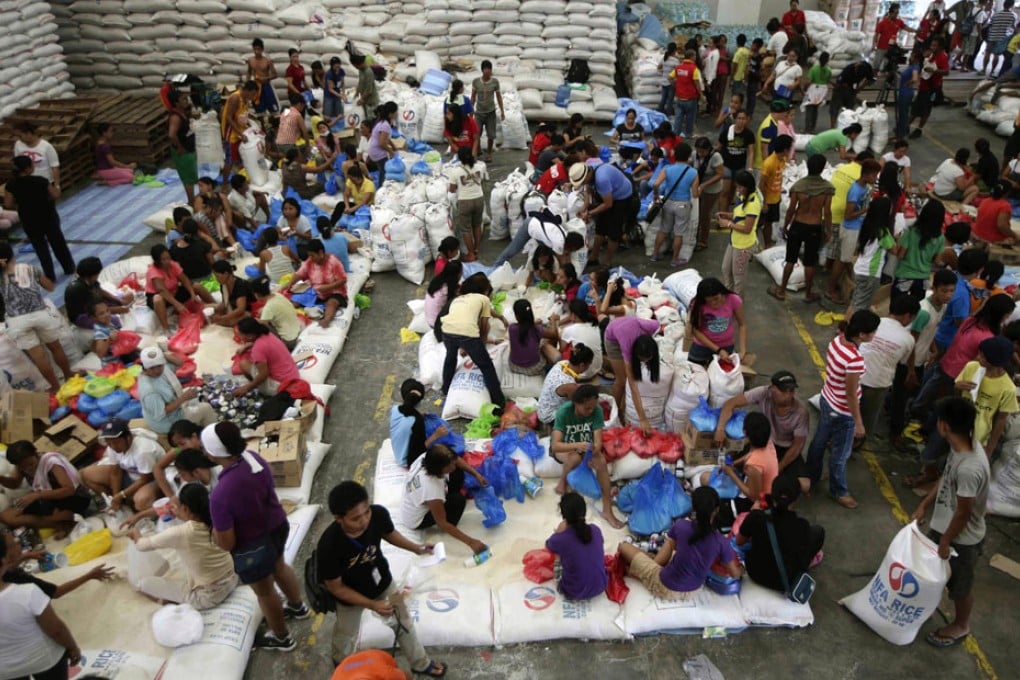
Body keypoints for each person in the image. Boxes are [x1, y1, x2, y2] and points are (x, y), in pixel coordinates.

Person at [317, 482, 446, 675]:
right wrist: (372, 604)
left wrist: (416, 548)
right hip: (350, 598)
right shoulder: (329, 546)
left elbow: (390, 534)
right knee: (345, 635)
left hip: (384, 583)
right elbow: (337, 588)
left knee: (404, 621)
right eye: (355, 518)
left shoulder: (377, 515)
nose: (364, 521)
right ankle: (343, 667)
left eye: (366, 512)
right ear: (338, 518)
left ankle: (420, 663)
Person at [205, 422, 307, 651]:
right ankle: (298, 607)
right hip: (278, 526)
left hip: (253, 546)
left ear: (212, 454)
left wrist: (214, 533)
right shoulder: (253, 458)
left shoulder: (220, 495)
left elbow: (227, 542)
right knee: (280, 567)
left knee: (265, 591)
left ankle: (282, 637)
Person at [911, 397, 989, 648]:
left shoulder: (970, 468)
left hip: (962, 539)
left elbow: (964, 512)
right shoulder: (960, 446)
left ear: (943, 425)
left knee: (960, 586)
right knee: (931, 570)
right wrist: (924, 505)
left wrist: (946, 541)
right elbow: (946, 479)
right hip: (944, 526)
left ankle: (961, 625)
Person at [806, 310, 881, 510]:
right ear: (862, 335)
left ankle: (811, 477)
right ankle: (839, 491)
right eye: (872, 332)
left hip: (827, 399)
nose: (874, 335)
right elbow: (850, 394)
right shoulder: (855, 359)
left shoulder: (838, 340)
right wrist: (858, 422)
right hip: (842, 411)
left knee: (819, 442)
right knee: (840, 455)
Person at [127, 483, 238, 609]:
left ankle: (166, 604)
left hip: (208, 597)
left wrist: (135, 533)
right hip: (232, 579)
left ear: (185, 508)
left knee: (143, 584)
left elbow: (142, 545)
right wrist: (180, 515)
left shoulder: (182, 532)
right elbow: (196, 521)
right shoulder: (217, 518)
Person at [618, 486, 742, 597]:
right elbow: (734, 573)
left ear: (693, 507)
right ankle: (651, 564)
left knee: (623, 547)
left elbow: (677, 544)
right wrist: (742, 569)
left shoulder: (681, 525)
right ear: (717, 510)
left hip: (666, 587)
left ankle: (648, 568)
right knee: (672, 548)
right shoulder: (721, 542)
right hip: (694, 589)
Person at [889, 269, 958, 451]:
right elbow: (912, 340)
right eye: (944, 291)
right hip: (908, 361)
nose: (948, 295)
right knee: (901, 398)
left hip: (920, 359)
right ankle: (895, 434)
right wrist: (911, 370)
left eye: (952, 291)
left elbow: (931, 331)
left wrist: (933, 348)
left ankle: (891, 412)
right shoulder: (924, 312)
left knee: (906, 394)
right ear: (934, 288)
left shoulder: (941, 307)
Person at [0, 531, 82, 679]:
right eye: (13, 545)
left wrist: (25, 556)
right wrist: (72, 647)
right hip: (44, 660)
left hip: (6, 670)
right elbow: (56, 630)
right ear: (4, 558)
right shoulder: (27, 593)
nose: (19, 547)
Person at [0, 243, 73, 390]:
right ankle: (68, 375)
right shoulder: (28, 268)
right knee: (56, 347)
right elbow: (50, 287)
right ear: (12, 255)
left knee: (39, 357)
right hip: (40, 314)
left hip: (17, 321)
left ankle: (55, 387)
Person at [551, 385, 625, 528]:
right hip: (566, 448)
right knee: (574, 458)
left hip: (585, 447)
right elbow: (555, 445)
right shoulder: (564, 412)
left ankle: (607, 510)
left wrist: (596, 448)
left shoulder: (596, 410)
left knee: (601, 462)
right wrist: (577, 445)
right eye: (586, 408)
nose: (590, 411)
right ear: (576, 404)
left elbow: (597, 437)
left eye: (592, 408)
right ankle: (563, 482)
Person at [736, 475, 825, 592]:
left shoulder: (755, 517)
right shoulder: (802, 526)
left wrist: (755, 530)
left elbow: (739, 541)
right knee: (818, 532)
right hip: (787, 581)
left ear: (772, 494)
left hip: (755, 573)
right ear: (796, 499)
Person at [400, 445, 488, 555]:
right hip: (416, 519)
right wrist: (471, 542)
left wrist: (476, 474)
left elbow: (457, 460)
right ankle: (452, 521)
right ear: (439, 468)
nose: (453, 466)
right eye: (449, 466)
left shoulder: (426, 457)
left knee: (458, 473)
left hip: (416, 499)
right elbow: (441, 522)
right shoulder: (432, 489)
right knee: (458, 500)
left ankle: (448, 496)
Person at [438, 274, 506, 409]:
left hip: (446, 330)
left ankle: (445, 388)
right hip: (467, 334)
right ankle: (499, 403)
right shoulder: (484, 299)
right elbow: (484, 326)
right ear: (485, 290)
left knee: (450, 357)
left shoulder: (459, 298)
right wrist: (481, 345)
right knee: (487, 367)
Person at [858, 295, 920, 444]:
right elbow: (903, 361)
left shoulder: (872, 322)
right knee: (867, 418)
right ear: (907, 316)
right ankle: (857, 443)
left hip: (855, 375)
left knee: (848, 410)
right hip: (878, 384)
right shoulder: (908, 339)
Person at [4, 155, 74, 282]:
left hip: (28, 219)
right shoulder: (41, 181)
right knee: (58, 243)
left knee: (41, 248)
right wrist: (56, 187)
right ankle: (69, 268)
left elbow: (8, 204)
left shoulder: (11, 184)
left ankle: (50, 275)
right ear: (28, 168)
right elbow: (55, 195)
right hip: (48, 216)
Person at [774, 154, 833, 303]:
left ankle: (781, 291)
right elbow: (827, 212)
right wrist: (828, 230)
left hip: (798, 225)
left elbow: (791, 209)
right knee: (809, 262)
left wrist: (786, 226)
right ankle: (808, 294)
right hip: (814, 227)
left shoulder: (798, 186)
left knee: (790, 260)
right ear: (821, 169)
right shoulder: (827, 188)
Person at [0, 441, 91, 534]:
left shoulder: (50, 462)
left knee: (59, 515)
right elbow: (15, 484)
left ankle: (63, 522)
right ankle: (59, 524)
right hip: (47, 498)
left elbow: (69, 489)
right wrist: (1, 479)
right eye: (23, 467)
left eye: (30, 464)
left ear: (35, 454)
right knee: (6, 517)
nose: (28, 469)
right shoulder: (21, 466)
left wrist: (36, 495)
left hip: (71, 498)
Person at [826, 158, 882, 306]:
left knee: (845, 259)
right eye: (874, 176)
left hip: (856, 228)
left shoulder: (864, 188)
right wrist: (867, 209)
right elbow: (848, 215)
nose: (875, 179)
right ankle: (830, 289)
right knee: (842, 260)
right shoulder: (855, 191)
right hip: (850, 229)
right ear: (867, 175)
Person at [82, 419, 164, 512]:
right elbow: (115, 472)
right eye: (109, 443)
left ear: (128, 437)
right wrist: (116, 495)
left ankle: (145, 508)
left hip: (153, 479)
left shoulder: (143, 450)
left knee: (141, 500)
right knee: (87, 474)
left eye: (116, 443)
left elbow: (145, 479)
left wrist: (121, 495)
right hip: (130, 475)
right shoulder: (113, 446)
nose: (113, 447)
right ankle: (116, 504)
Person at [571, 158, 636, 269]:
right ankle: (593, 258)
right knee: (600, 228)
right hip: (608, 195)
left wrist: (590, 213)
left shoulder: (601, 179)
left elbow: (608, 204)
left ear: (587, 176)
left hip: (621, 197)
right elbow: (589, 192)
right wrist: (584, 209)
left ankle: (607, 262)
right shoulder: (588, 172)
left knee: (613, 232)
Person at [136, 346, 214, 434]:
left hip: (174, 400)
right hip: (168, 423)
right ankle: (212, 436)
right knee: (206, 408)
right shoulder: (149, 390)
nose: (157, 371)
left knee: (197, 391)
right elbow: (161, 413)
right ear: (145, 367)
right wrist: (183, 398)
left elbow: (180, 363)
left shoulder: (161, 369)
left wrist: (161, 354)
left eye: (159, 366)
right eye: (152, 368)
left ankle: (199, 424)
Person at [546, 491, 608, 600]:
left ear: (564, 516)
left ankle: (559, 582)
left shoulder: (561, 538)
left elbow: (548, 545)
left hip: (574, 590)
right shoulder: (595, 529)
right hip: (601, 586)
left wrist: (558, 532)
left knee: (558, 553)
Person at [388, 379, 460, 468]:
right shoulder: (417, 421)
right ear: (420, 401)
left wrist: (419, 415)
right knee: (446, 452)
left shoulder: (394, 409)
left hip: (397, 452)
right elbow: (419, 450)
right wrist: (436, 435)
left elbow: (406, 417)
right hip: (407, 461)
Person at [603, 315, 661, 424]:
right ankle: (614, 409)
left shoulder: (652, 326)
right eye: (642, 360)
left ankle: (624, 406)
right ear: (635, 354)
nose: (644, 363)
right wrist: (643, 419)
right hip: (612, 336)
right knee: (622, 380)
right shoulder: (628, 346)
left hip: (627, 324)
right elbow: (633, 385)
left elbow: (660, 326)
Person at [651, 142, 699, 266]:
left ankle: (655, 254)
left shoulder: (667, 169)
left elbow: (656, 184)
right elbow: (694, 194)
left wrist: (656, 195)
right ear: (688, 156)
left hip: (668, 202)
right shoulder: (693, 172)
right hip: (683, 205)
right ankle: (675, 259)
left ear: (675, 154)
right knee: (679, 233)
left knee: (663, 229)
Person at [280, 239, 348, 328]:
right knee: (296, 301)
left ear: (320, 253)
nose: (311, 258)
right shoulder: (310, 262)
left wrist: (328, 287)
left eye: (312, 255)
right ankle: (282, 314)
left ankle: (326, 320)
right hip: (316, 291)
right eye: (310, 256)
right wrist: (290, 284)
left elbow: (343, 280)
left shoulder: (333, 261)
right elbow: (299, 274)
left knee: (331, 303)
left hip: (334, 292)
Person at [849, 197, 897, 313]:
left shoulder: (867, 224)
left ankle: (844, 326)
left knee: (856, 301)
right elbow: (894, 250)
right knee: (860, 306)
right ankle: (848, 328)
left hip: (860, 268)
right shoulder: (883, 232)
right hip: (870, 273)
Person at [892, 200, 947, 300]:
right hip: (923, 278)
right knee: (915, 310)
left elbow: (900, 255)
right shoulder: (940, 237)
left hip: (904, 275)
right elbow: (937, 261)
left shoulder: (911, 231)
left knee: (896, 309)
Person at [688, 277, 747, 369]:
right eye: (709, 301)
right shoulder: (698, 304)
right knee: (693, 372)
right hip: (702, 346)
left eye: (716, 298)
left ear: (722, 292)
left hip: (726, 345)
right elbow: (696, 330)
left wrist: (742, 351)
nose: (713, 303)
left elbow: (742, 325)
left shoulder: (733, 299)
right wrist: (718, 350)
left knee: (724, 374)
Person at [717, 170, 760, 296]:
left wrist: (728, 224)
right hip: (734, 241)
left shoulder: (752, 204)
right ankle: (729, 296)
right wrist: (727, 215)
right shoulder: (743, 198)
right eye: (737, 186)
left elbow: (747, 229)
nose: (738, 189)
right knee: (726, 270)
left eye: (741, 187)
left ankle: (736, 303)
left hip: (743, 246)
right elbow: (740, 215)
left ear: (748, 187)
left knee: (738, 278)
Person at [234, 317, 301, 397]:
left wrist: (246, 388)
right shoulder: (267, 333)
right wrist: (247, 345)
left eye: (240, 334)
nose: (239, 337)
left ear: (249, 336)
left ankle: (259, 388)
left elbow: (263, 375)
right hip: (293, 375)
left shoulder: (258, 348)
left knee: (243, 364)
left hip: (281, 385)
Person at [146, 244, 202, 335]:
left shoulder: (173, 264)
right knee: (158, 299)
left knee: (197, 286)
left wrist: (192, 294)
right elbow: (162, 291)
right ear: (157, 261)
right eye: (163, 260)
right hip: (160, 295)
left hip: (174, 291)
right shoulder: (153, 271)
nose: (167, 261)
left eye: (168, 258)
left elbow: (184, 279)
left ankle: (214, 306)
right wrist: (177, 304)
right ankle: (166, 329)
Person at [64, 257, 133, 330]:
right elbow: (95, 311)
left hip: (96, 305)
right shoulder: (78, 289)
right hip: (84, 315)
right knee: (115, 322)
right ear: (92, 275)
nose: (98, 276)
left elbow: (100, 291)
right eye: (97, 274)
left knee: (129, 296)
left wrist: (119, 301)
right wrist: (120, 309)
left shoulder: (89, 280)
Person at [447, 146, 488, 262]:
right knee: (477, 225)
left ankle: (470, 254)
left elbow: (452, 189)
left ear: (459, 158)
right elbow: (481, 180)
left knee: (466, 229)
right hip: (479, 199)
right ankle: (476, 249)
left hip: (465, 201)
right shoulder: (479, 167)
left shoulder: (455, 171)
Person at [537, 344, 595, 426]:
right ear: (582, 365)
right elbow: (577, 406)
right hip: (549, 416)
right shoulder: (570, 386)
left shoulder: (563, 363)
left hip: (543, 407)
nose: (589, 367)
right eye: (589, 364)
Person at [909, 37, 951, 138]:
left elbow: (946, 71)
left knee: (926, 110)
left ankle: (919, 129)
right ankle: (906, 125)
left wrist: (934, 71)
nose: (932, 47)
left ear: (940, 47)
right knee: (915, 108)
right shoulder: (930, 54)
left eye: (935, 46)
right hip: (923, 85)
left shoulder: (943, 57)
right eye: (932, 45)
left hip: (931, 88)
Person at [718, 109, 756, 212]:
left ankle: (727, 211)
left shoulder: (749, 134)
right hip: (727, 165)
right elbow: (719, 147)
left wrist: (750, 168)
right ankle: (721, 215)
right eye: (739, 118)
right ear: (735, 119)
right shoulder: (726, 132)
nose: (741, 121)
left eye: (743, 118)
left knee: (732, 192)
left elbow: (751, 151)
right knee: (724, 192)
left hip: (740, 167)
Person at [508, 300, 560, 374]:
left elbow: (524, 328)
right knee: (546, 343)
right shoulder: (536, 329)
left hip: (514, 366)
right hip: (533, 368)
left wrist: (534, 323)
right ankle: (550, 366)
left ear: (516, 316)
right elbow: (554, 334)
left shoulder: (512, 328)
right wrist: (553, 320)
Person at [692, 137, 724, 253]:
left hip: (712, 189)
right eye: (698, 151)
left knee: (705, 213)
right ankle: (695, 235)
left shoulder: (715, 157)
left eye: (703, 152)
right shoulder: (694, 154)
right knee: (697, 211)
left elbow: (720, 174)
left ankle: (703, 240)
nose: (700, 154)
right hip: (698, 186)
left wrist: (705, 185)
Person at [759, 135, 792, 250]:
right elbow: (761, 184)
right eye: (790, 148)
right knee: (763, 224)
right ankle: (765, 245)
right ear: (785, 150)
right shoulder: (769, 163)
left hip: (776, 198)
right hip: (767, 200)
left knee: (769, 222)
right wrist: (764, 202)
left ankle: (767, 244)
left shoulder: (782, 160)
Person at [250, 276, 300, 350]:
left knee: (261, 325)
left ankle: (279, 345)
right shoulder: (277, 295)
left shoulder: (268, 308)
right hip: (299, 330)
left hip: (290, 340)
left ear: (256, 294)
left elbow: (264, 325)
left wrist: (257, 321)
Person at [166, 89, 199, 204]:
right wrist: (179, 147)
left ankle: (194, 198)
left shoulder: (183, 112)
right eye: (183, 99)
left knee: (191, 173)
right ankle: (191, 201)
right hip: (183, 151)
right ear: (176, 103)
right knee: (187, 177)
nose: (186, 101)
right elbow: (171, 135)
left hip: (189, 149)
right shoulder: (175, 117)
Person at [220, 81, 258, 176]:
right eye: (252, 94)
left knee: (243, 157)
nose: (253, 97)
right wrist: (241, 134)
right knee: (230, 160)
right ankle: (225, 184)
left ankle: (242, 177)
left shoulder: (246, 100)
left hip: (241, 132)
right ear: (246, 90)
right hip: (231, 134)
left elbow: (243, 116)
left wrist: (251, 127)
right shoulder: (235, 98)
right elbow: (229, 117)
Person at [559, 299, 603, 379]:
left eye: (569, 313)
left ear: (574, 315)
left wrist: (556, 328)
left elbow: (561, 349)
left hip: (581, 374)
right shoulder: (595, 326)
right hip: (596, 369)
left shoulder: (570, 329)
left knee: (550, 349)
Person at [471, 60, 504, 162]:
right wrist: (470, 110)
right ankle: (478, 150)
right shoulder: (476, 82)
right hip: (479, 113)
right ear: (482, 70)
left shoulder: (495, 82)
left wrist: (502, 110)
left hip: (491, 113)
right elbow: (473, 96)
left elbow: (498, 97)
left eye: (489, 69)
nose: (487, 71)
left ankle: (489, 153)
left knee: (491, 135)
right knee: (476, 134)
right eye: (485, 69)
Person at [12, 121, 60, 187]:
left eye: (20, 136)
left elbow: (54, 167)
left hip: (46, 183)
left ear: (28, 133)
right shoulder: (18, 144)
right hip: (28, 183)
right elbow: (18, 165)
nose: (18, 139)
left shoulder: (46, 146)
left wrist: (57, 186)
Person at [829, 60, 875, 129]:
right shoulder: (848, 69)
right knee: (835, 108)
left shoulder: (867, 68)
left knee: (849, 109)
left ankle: (847, 125)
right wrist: (851, 91)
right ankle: (832, 127)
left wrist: (860, 88)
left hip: (851, 88)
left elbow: (869, 80)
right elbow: (840, 83)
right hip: (840, 88)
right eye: (856, 70)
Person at [669, 49, 703, 138]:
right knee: (690, 118)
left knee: (678, 118)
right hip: (690, 99)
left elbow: (670, 77)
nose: (695, 57)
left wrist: (675, 85)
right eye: (695, 56)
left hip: (680, 98)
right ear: (691, 57)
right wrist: (702, 95)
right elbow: (697, 84)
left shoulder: (678, 67)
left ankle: (675, 135)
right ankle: (688, 134)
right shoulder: (694, 69)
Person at [208, 260, 251, 327]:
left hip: (248, 311)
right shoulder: (223, 284)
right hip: (234, 308)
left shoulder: (240, 285)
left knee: (230, 322)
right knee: (216, 314)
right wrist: (214, 311)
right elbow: (224, 303)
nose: (216, 279)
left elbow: (241, 309)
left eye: (217, 276)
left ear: (225, 274)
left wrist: (223, 317)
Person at [872, 3, 915, 69]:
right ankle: (874, 76)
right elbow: (876, 34)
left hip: (892, 47)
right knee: (876, 64)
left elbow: (907, 28)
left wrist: (916, 31)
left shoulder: (899, 22)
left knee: (889, 65)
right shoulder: (882, 23)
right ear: (890, 13)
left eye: (897, 13)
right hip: (882, 47)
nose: (896, 15)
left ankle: (887, 75)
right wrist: (874, 45)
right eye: (895, 13)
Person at [424, 260, 462, 331]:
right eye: (461, 273)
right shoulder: (447, 290)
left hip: (429, 318)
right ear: (457, 275)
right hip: (436, 324)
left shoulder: (437, 280)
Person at [983, 0, 1017, 78]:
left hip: (992, 35)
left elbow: (990, 24)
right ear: (1011, 6)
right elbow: (1013, 27)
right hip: (1002, 37)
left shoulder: (996, 14)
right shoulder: (1013, 15)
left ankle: (984, 70)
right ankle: (992, 71)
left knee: (987, 53)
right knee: (996, 54)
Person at [366, 102, 398, 185]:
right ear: (391, 114)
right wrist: (391, 151)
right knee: (385, 172)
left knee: (382, 171)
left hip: (373, 150)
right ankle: (381, 190)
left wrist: (393, 146)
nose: (397, 114)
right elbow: (382, 143)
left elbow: (386, 138)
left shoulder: (382, 122)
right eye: (396, 112)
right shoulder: (385, 125)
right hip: (378, 152)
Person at [246, 39, 279, 113]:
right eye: (255, 49)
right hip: (256, 87)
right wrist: (247, 83)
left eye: (258, 49)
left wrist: (266, 78)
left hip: (266, 85)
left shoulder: (267, 61)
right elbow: (249, 72)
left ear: (262, 49)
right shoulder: (250, 60)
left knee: (272, 107)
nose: (256, 51)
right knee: (259, 108)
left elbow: (275, 75)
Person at [895, 51, 921, 141]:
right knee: (902, 113)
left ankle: (901, 134)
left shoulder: (915, 67)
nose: (910, 58)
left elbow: (914, 78)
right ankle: (900, 131)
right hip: (904, 91)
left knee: (903, 114)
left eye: (912, 56)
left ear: (916, 58)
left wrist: (908, 83)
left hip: (906, 92)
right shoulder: (911, 66)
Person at [323, 56, 346, 123]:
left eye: (338, 66)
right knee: (328, 114)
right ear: (332, 66)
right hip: (329, 96)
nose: (337, 68)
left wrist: (343, 94)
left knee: (339, 113)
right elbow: (330, 89)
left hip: (337, 95)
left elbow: (343, 83)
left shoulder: (341, 71)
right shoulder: (329, 74)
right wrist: (341, 96)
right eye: (335, 67)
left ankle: (339, 128)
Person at [659, 43, 680, 115]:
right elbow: (678, 72)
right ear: (675, 50)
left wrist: (663, 72)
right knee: (670, 100)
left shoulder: (664, 58)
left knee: (663, 99)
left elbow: (659, 67)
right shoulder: (675, 61)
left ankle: (660, 111)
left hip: (663, 81)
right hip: (671, 82)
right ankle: (669, 114)